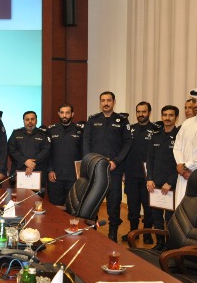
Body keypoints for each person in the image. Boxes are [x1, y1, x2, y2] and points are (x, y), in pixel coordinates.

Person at [83, 91, 132, 242]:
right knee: (93, 201)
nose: (105, 103)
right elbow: (86, 141)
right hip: (96, 169)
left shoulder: (122, 121)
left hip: (114, 169)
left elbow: (127, 143)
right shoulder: (92, 120)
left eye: (108, 100)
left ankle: (112, 233)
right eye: (103, 100)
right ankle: (92, 232)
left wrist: (116, 161)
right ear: (100, 103)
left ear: (114, 102)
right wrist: (90, 161)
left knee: (114, 203)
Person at [122, 102, 160, 243]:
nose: (141, 114)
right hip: (131, 174)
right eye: (138, 112)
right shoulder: (130, 130)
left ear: (149, 112)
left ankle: (147, 234)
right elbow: (124, 151)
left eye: (143, 111)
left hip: (148, 177)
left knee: (148, 207)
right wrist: (124, 172)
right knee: (133, 206)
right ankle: (133, 232)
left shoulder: (156, 130)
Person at [146, 105, 180, 251]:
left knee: (170, 218)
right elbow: (150, 159)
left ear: (176, 117)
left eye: (171, 115)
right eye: (165, 115)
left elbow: (180, 163)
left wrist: (170, 182)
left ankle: (169, 245)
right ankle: (160, 243)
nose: (167, 118)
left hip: (171, 185)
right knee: (156, 216)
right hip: (155, 184)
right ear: (161, 116)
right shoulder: (156, 135)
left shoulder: (179, 136)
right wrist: (149, 178)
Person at [46, 104, 84, 206]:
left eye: (67, 113)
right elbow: (47, 152)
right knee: (55, 207)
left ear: (72, 114)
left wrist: (81, 173)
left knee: (72, 207)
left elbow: (83, 152)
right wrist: (50, 170)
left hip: (73, 176)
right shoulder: (51, 130)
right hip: (55, 175)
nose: (64, 115)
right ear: (59, 114)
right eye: (62, 113)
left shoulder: (80, 130)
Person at [8, 111, 50, 189]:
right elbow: (11, 149)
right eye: (27, 119)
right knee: (18, 196)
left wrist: (32, 163)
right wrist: (25, 161)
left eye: (32, 119)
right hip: (19, 171)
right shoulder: (16, 133)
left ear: (36, 121)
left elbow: (46, 151)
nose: (30, 122)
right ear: (23, 121)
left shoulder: (43, 134)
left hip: (37, 172)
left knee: (37, 196)